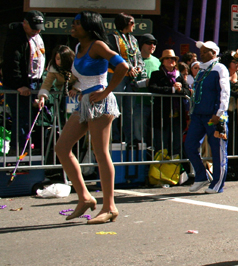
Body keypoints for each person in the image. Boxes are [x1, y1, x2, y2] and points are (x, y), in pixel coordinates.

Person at [56, 12, 129, 224]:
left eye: (78, 24)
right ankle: (85, 197)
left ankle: (110, 207)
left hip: (101, 103)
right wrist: (77, 89)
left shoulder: (97, 45)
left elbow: (123, 66)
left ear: (89, 27)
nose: (73, 26)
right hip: (85, 103)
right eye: (73, 23)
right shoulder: (79, 48)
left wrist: (106, 92)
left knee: (101, 152)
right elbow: (85, 78)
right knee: (62, 147)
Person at [186, 41, 230, 194]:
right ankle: (201, 176)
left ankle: (218, 183)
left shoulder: (219, 68)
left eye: (205, 51)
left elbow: (224, 92)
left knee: (217, 148)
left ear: (214, 53)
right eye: (201, 51)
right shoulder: (202, 70)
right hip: (198, 116)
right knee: (190, 145)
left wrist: (219, 113)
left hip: (213, 117)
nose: (201, 53)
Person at [3, 11, 46, 152]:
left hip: (35, 81)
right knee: (21, 117)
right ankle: (18, 149)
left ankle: (25, 147)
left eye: (39, 28)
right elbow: (11, 62)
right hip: (21, 82)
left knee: (30, 117)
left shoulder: (37, 37)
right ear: (24, 23)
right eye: (33, 27)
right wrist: (19, 85)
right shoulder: (15, 37)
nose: (36, 31)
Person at [108, 13, 145, 146]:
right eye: (132, 22)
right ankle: (115, 136)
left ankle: (130, 138)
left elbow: (138, 56)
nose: (134, 25)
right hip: (116, 75)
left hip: (131, 78)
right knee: (115, 106)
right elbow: (114, 55)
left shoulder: (133, 39)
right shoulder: (112, 38)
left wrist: (139, 67)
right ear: (124, 23)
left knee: (129, 109)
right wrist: (128, 67)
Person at [148, 49, 191, 157]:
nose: (170, 60)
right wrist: (172, 90)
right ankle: (159, 171)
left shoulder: (179, 75)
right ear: (162, 61)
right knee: (161, 145)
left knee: (177, 144)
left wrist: (180, 90)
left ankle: (175, 170)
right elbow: (153, 88)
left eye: (173, 58)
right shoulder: (156, 74)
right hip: (162, 115)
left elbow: (188, 91)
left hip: (177, 116)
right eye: (167, 58)